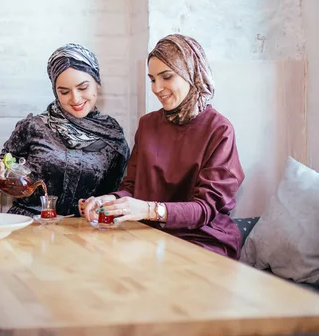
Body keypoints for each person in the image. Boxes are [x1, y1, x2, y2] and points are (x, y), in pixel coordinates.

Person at [82, 34, 245, 259]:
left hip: (203, 240)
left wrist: (148, 210)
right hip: (150, 234)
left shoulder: (219, 130)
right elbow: (132, 186)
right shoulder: (148, 124)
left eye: (166, 77)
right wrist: (112, 200)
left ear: (192, 73)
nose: (157, 88)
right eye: (152, 79)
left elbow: (205, 209)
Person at [0, 43, 131, 217]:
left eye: (83, 88)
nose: (75, 98)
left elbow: (114, 196)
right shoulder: (33, 127)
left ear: (97, 83)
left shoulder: (113, 137)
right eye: (64, 92)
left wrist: (94, 206)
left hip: (81, 232)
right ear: (55, 91)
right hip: (28, 228)